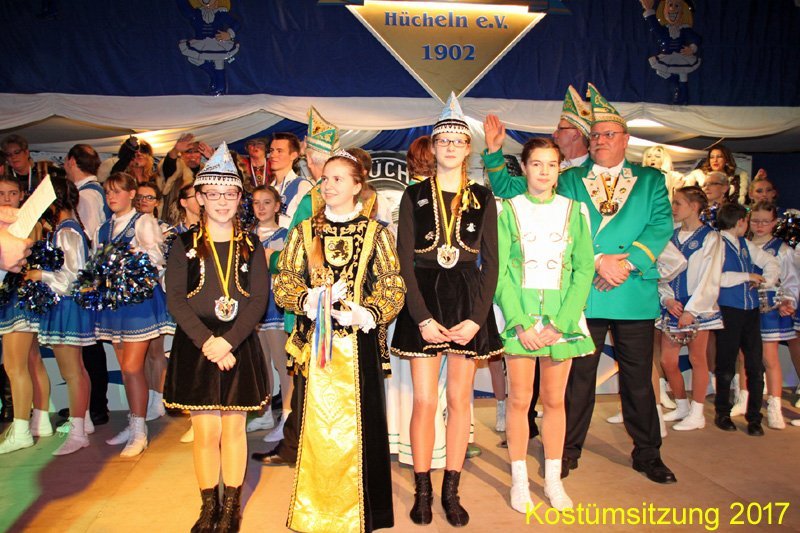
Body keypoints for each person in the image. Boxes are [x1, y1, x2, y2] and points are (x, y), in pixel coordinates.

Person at [484, 84, 676, 483]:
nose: (601, 140)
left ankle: (648, 453)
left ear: (625, 139)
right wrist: (494, 153)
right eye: (596, 135)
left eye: (609, 134)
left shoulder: (651, 179)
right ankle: (566, 452)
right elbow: (511, 189)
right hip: (585, 293)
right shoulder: (569, 177)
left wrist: (629, 263)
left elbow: (660, 225)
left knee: (639, 380)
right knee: (577, 382)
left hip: (631, 288)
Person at [274, 149, 404, 533]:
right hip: (315, 348)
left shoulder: (376, 233)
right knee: (316, 432)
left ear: (357, 185)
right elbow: (284, 282)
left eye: (337, 179)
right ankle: (316, 513)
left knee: (362, 432)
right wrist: (308, 300)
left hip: (359, 348)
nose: (328, 186)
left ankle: (361, 516)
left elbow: (393, 285)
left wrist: (368, 313)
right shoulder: (304, 232)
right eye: (325, 179)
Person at [392, 93, 501, 527]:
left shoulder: (483, 197)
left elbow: (491, 262)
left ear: (468, 147)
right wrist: (420, 317)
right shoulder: (414, 194)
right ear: (433, 147)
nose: (451, 147)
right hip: (424, 297)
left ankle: (451, 491)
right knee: (423, 400)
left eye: (458, 141)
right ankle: (422, 489)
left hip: (466, 300)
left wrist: (476, 318)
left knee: (459, 400)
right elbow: (403, 261)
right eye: (444, 141)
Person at [164, 143, 270, 533]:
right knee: (206, 432)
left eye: (229, 194)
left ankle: (231, 507)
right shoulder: (182, 245)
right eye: (213, 194)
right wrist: (208, 342)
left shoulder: (252, 246)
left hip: (238, 344)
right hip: (198, 345)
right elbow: (176, 299)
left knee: (234, 429)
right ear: (200, 197)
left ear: (240, 197)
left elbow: (258, 300)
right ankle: (208, 504)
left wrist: (229, 341)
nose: (222, 202)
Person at [494, 137, 594, 512]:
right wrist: (520, 323)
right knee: (520, 400)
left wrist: (562, 323)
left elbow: (584, 269)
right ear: (524, 167)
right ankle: (519, 481)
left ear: (559, 169)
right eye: (536, 163)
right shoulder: (508, 209)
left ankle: (553, 480)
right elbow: (500, 271)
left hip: (560, 322)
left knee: (554, 401)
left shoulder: (574, 210)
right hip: (520, 320)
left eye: (552, 164)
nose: (544, 171)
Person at [250, 107, 340, 468]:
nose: (316, 167)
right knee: (311, 380)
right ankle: (301, 446)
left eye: (319, 159)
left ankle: (304, 448)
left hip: (320, 305)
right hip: (320, 304)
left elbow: (292, 252)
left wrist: (268, 260)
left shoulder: (314, 197)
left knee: (313, 379)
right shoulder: (325, 198)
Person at [94, 172, 174, 457]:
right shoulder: (103, 228)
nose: (111, 197)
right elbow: (96, 264)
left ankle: (140, 431)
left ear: (131, 194)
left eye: (117, 191)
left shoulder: (143, 221)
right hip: (115, 304)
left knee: (131, 367)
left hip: (139, 304)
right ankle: (134, 421)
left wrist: (129, 258)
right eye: (108, 192)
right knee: (126, 368)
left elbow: (157, 259)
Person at [27, 177, 96, 455]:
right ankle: (83, 421)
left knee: (72, 372)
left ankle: (78, 432)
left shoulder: (67, 231)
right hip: (67, 307)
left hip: (67, 306)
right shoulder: (66, 229)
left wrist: (40, 275)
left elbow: (70, 278)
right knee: (76, 370)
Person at [658, 186, 723, 431]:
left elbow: (710, 276)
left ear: (694, 207)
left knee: (698, 359)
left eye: (678, 203)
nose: (673, 208)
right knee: (667, 361)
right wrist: (666, 298)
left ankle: (697, 413)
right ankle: (682, 405)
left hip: (697, 308)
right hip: (673, 306)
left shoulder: (711, 238)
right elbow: (661, 270)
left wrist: (692, 310)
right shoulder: (670, 235)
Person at [713, 203, 779, 436]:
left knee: (754, 364)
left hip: (750, 310)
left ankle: (754, 417)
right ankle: (722, 412)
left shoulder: (745, 244)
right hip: (728, 309)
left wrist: (765, 281)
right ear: (740, 221)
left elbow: (771, 262)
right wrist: (747, 276)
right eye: (748, 221)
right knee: (726, 364)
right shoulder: (717, 243)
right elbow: (715, 277)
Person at [0, 176, 51, 455]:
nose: (7, 198)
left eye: (12, 193)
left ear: (22, 195)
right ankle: (41, 421)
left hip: (18, 298)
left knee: (14, 365)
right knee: (31, 360)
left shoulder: (25, 223)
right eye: (1, 194)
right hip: (20, 298)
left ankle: (21, 430)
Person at [63, 143, 111, 426]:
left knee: (90, 345)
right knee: (89, 344)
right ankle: (90, 405)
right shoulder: (94, 192)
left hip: (87, 278)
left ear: (71, 162)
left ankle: (95, 406)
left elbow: (90, 241)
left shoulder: (88, 195)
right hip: (90, 277)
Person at [742, 202, 797, 430]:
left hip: (769, 307)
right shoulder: (742, 245)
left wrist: (788, 300)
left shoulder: (782, 250)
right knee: (744, 356)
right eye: (755, 221)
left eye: (765, 221)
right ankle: (744, 399)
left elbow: (792, 281)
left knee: (769, 358)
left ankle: (774, 407)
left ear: (774, 222)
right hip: (745, 304)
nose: (760, 226)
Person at [245, 185, 290, 439]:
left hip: (275, 303)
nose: (261, 207)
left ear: (277, 206)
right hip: (252, 305)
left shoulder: (286, 235)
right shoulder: (245, 237)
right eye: (256, 202)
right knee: (260, 362)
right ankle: (264, 413)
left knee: (281, 363)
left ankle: (287, 416)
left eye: (267, 202)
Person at [160, 133, 212, 226]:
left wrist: (213, 158)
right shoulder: (176, 170)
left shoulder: (207, 173)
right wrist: (175, 150)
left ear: (201, 155)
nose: (192, 155)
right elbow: (169, 166)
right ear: (182, 154)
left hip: (204, 222)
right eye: (188, 152)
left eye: (196, 152)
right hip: (175, 222)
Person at [268, 133, 312, 229]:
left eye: (279, 151)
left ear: (293, 155)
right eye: (271, 150)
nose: (273, 155)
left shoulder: (302, 186)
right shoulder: (269, 188)